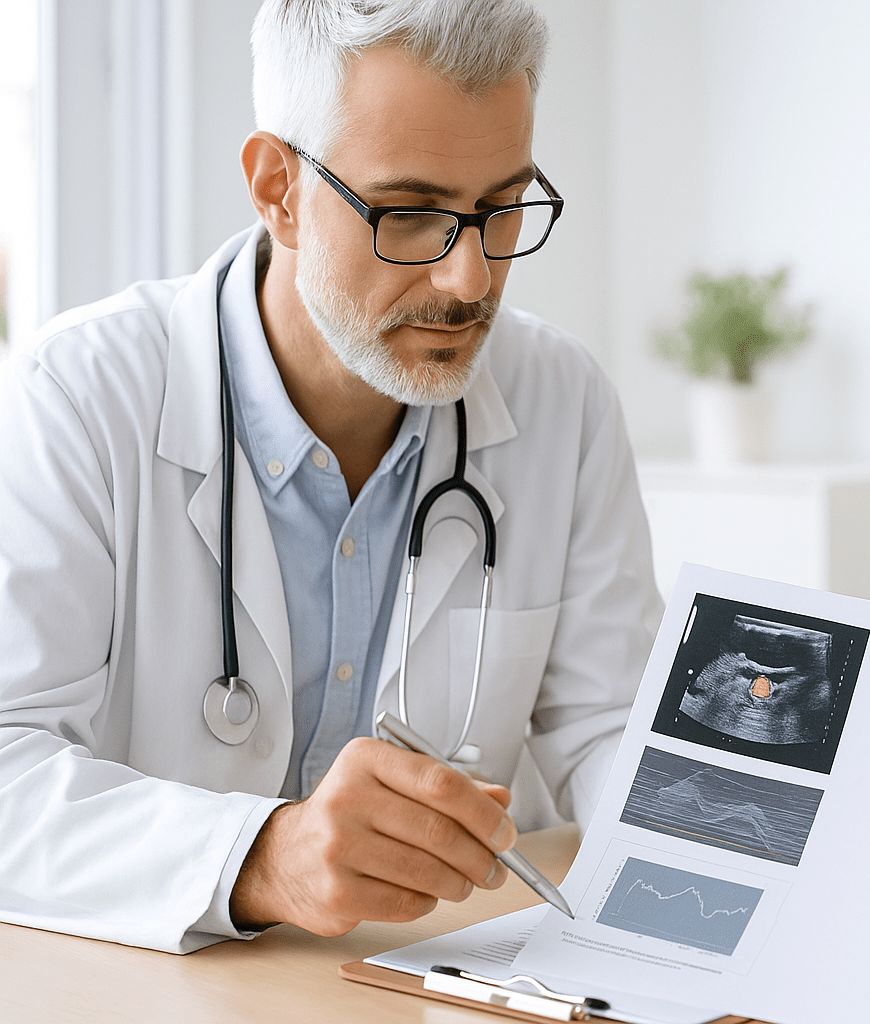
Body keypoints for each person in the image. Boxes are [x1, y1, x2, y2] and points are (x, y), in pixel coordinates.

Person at [0, 0, 662, 953]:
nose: (471, 277)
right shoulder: (77, 398)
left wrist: (791, 854)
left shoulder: (564, 400)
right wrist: (264, 855)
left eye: (502, 208)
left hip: (412, 989)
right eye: (412, 213)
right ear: (278, 188)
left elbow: (610, 731)